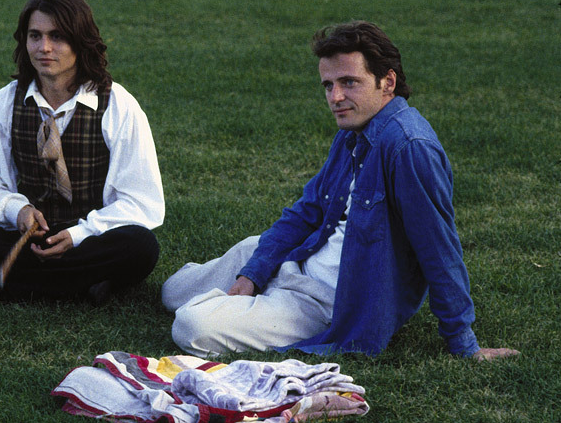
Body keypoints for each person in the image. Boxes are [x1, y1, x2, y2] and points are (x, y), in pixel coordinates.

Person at [162, 21, 519, 361]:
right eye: (328, 85)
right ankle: (252, 292)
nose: (336, 97)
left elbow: (440, 250)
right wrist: (254, 270)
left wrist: (463, 343)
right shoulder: (352, 132)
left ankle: (250, 306)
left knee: (191, 326)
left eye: (349, 82)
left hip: (322, 298)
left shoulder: (409, 147)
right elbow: (307, 212)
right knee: (172, 292)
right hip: (300, 256)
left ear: (387, 81)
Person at [0, 0, 164, 303]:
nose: (44, 48)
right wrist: (19, 210)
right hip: (25, 239)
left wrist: (77, 234)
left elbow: (140, 202)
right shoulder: (4, 104)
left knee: (140, 245)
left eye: (57, 37)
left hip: (89, 239)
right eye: (35, 36)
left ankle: (14, 283)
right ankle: (79, 285)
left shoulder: (118, 105)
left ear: (81, 41)